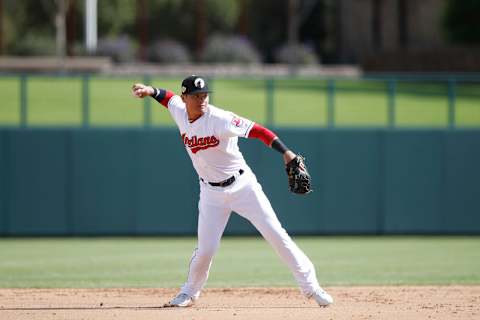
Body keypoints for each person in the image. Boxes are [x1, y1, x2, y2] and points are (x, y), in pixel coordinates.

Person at [131, 75, 333, 308]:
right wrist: (149, 90)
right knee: (206, 250)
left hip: (243, 187)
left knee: (277, 235)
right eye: (196, 96)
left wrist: (286, 152)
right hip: (210, 194)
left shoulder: (220, 119)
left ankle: (312, 288)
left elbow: (259, 131)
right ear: (185, 98)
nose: (202, 100)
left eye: (205, 95)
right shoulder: (179, 109)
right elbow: (167, 98)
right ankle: (189, 292)